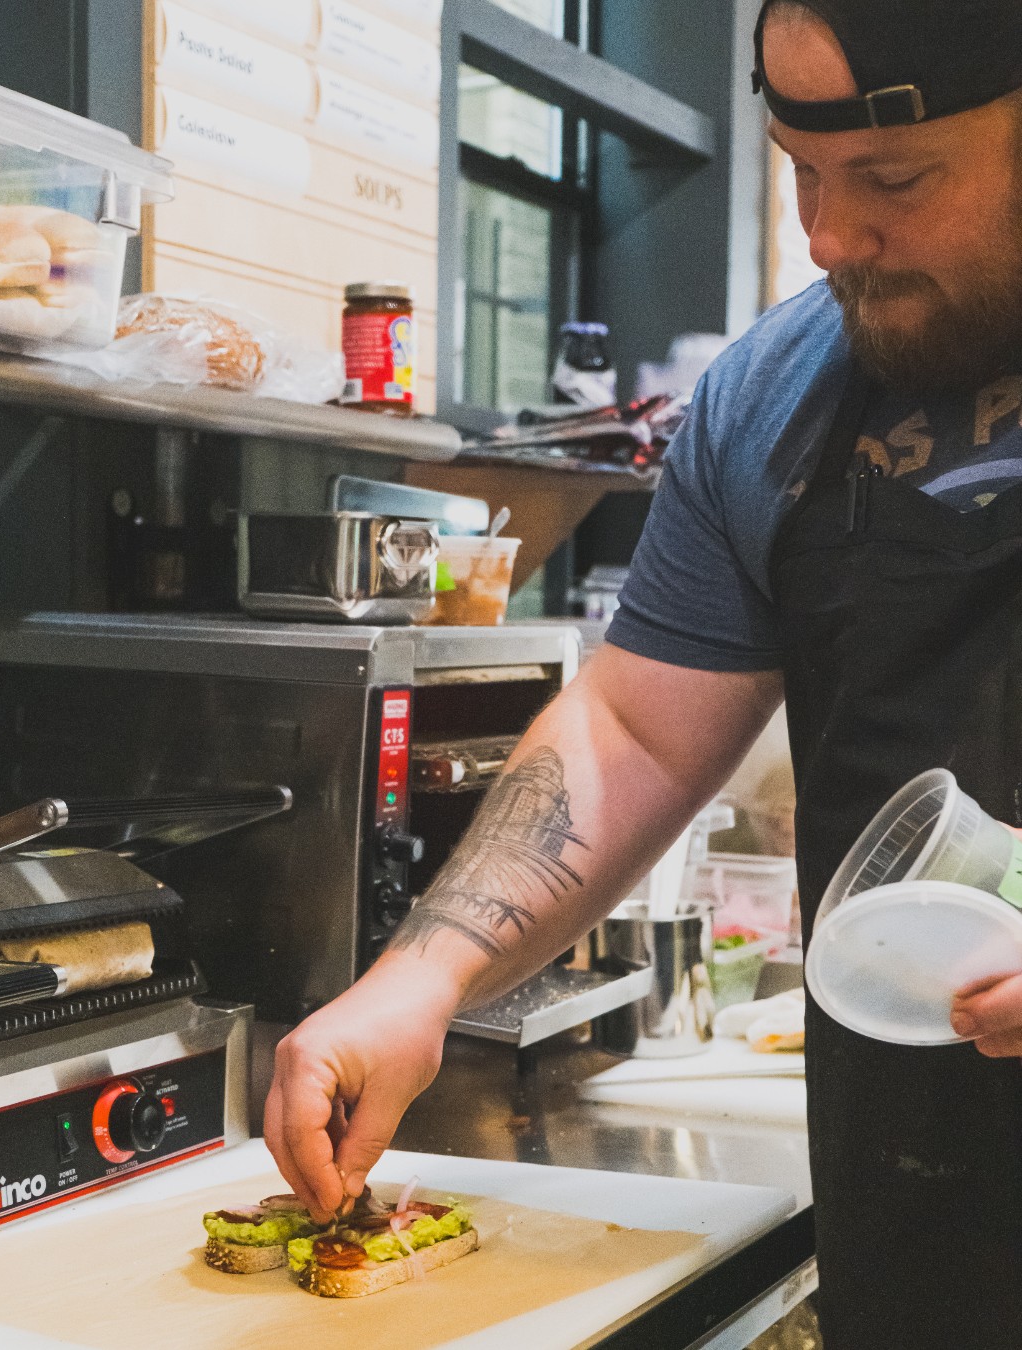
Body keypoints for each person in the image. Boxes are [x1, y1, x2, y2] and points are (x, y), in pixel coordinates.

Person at [265, 2, 1022, 1344]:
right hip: (920, 1226)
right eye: (801, 171)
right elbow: (636, 730)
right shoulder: (775, 398)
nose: (829, 235)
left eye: (896, 180)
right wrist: (418, 980)